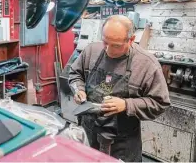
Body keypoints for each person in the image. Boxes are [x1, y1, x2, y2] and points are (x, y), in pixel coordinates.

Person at [68, 15, 170, 162]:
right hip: (88, 132)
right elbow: (75, 74)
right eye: (105, 42)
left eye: (115, 45)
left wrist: (127, 105)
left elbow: (161, 103)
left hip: (122, 142)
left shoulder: (146, 64)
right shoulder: (91, 51)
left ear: (131, 39)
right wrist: (79, 89)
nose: (108, 49)